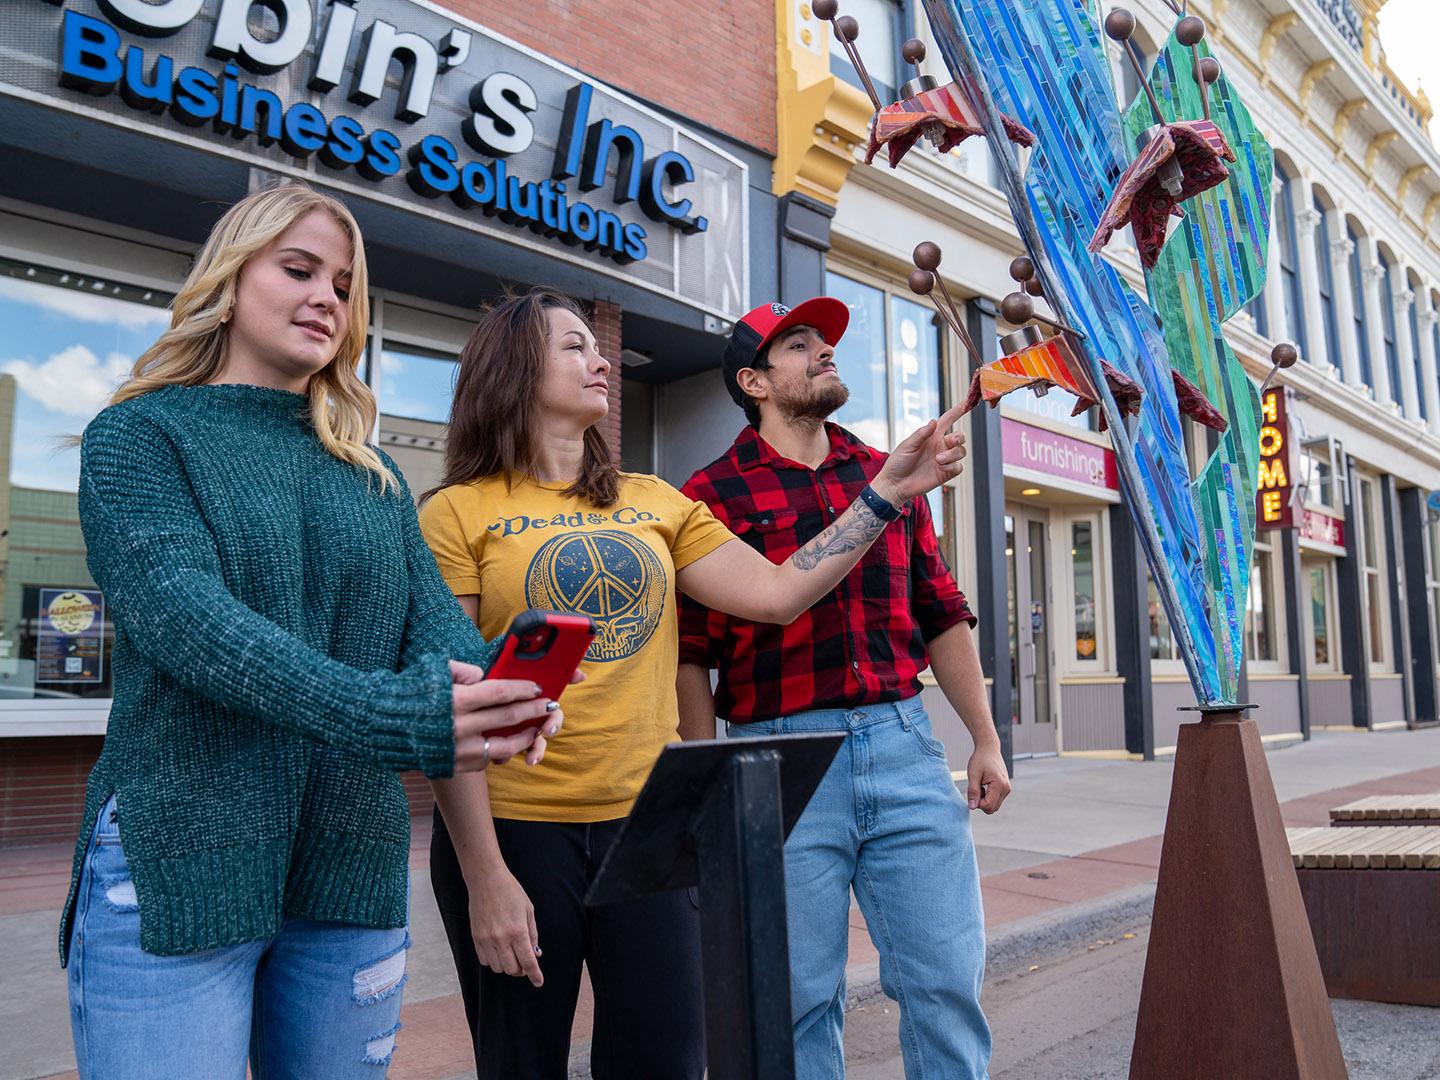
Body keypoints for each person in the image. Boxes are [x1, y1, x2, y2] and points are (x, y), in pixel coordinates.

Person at [61, 182, 562, 1080]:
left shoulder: (371, 480)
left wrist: (500, 691)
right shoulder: (139, 438)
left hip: (349, 866)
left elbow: (437, 643)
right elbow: (190, 624)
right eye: (298, 270)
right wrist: (393, 715)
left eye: (343, 285)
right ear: (229, 278)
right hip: (181, 856)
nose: (326, 298)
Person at [418, 287, 967, 1079]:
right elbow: (453, 704)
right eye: (573, 346)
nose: (599, 358)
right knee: (522, 1063)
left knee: (666, 1060)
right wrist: (484, 875)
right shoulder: (458, 514)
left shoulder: (655, 502)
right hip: (517, 828)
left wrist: (884, 496)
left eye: (593, 345)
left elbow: (779, 592)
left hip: (648, 826)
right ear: (511, 367)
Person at [676, 298, 1012, 1080]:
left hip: (904, 744)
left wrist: (985, 740)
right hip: (777, 761)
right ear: (754, 381)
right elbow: (690, 653)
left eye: (824, 343)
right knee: (794, 1000)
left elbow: (941, 611)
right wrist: (704, 783)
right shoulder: (709, 494)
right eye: (800, 346)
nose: (824, 353)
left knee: (946, 982)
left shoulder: (883, 474)